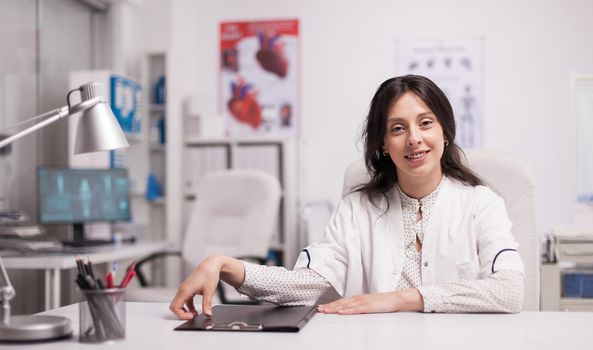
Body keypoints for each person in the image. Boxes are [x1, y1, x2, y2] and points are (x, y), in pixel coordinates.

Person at [170, 75, 525, 320]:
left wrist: (403, 299)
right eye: (397, 128)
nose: (414, 138)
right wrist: (226, 266)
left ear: (445, 132)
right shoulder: (357, 209)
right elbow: (306, 287)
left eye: (426, 123)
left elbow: (509, 291)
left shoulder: (481, 203)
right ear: (384, 144)